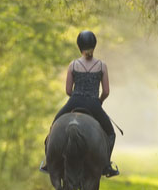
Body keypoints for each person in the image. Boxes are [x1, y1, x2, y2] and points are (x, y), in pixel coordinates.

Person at [40, 30, 119, 177]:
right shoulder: (102, 66)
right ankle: (107, 165)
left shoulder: (73, 65)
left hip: (74, 100)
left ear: (79, 46)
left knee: (54, 126)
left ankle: (48, 163)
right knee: (111, 133)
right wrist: (98, 102)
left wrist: (77, 98)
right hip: (93, 104)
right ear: (94, 46)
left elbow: (68, 90)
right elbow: (106, 91)